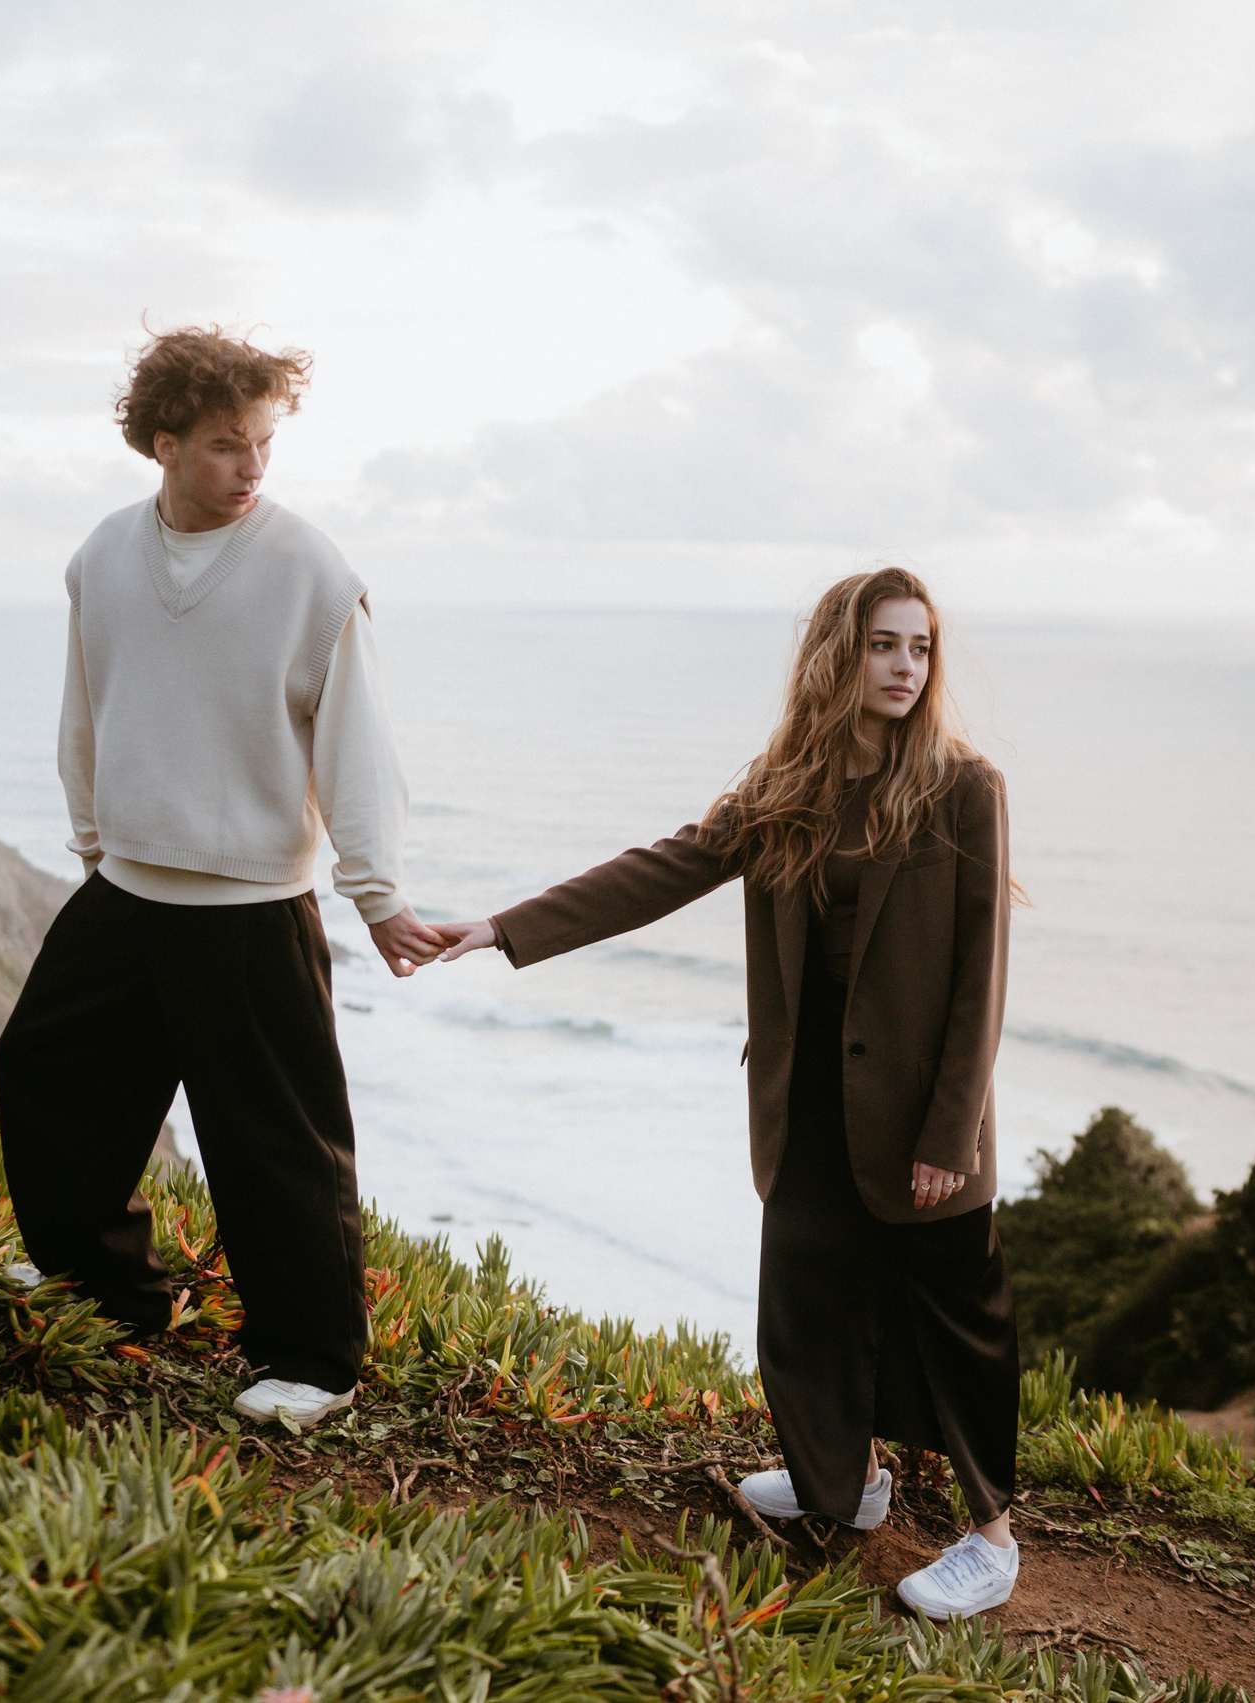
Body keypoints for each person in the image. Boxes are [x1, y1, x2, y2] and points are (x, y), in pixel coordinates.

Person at [438, 568, 1024, 1620]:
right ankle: (841, 1483)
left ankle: (990, 1538)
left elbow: (981, 973)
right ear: (835, 657)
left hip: (920, 1114)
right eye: (882, 645)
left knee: (951, 1322)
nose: (902, 667)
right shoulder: (785, 784)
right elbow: (660, 868)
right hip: (804, 1096)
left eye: (919, 647)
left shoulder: (960, 787)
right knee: (809, 1300)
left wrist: (949, 1128)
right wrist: (501, 927)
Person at [0, 327, 445, 1429]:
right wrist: (96, 843)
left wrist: (376, 895)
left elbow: (356, 747)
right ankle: (104, 1287)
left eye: (262, 445)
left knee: (274, 1142)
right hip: (129, 890)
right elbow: (86, 709)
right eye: (224, 446)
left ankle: (314, 1359)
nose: (251, 468)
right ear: (163, 443)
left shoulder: (310, 571)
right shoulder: (101, 555)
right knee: (43, 1067)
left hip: (251, 910)